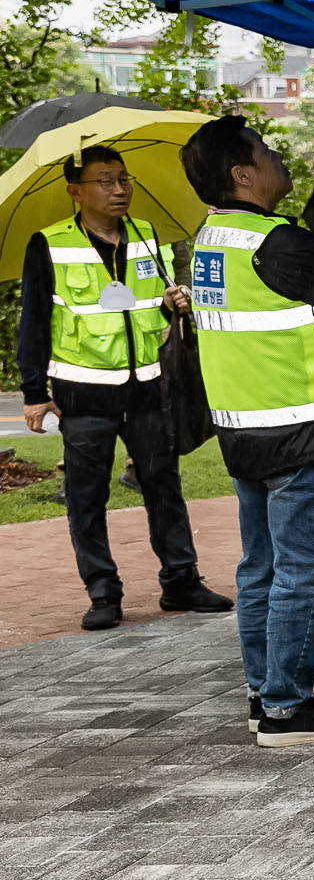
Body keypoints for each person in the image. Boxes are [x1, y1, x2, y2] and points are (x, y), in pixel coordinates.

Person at [179, 115, 314, 747]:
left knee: (261, 570)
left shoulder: (211, 237)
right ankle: (288, 709)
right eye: (264, 151)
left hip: (245, 432)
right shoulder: (276, 242)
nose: (276, 157)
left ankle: (263, 692)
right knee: (303, 570)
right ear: (243, 173)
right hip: (303, 429)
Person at [18, 144, 229, 630]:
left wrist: (172, 302)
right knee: (86, 497)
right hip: (83, 392)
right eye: (105, 181)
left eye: (123, 179)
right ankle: (102, 591)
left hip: (147, 388)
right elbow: (33, 322)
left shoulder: (146, 236)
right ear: (76, 191)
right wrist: (33, 392)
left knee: (163, 486)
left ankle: (180, 581)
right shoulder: (47, 244)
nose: (119, 189)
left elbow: (143, 307)